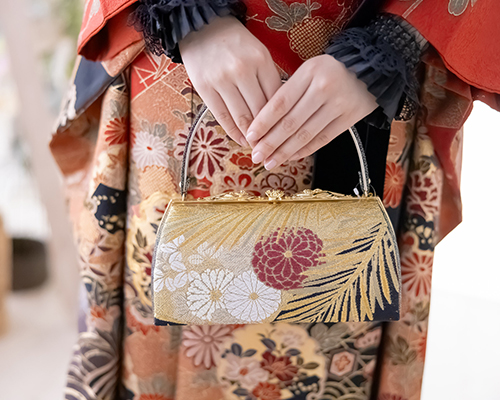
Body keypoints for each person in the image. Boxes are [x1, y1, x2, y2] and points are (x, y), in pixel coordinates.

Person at [51, 1, 500, 399]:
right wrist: (190, 17)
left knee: (344, 329)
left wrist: (392, 41)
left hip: (371, 81)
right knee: (162, 314)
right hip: (186, 60)